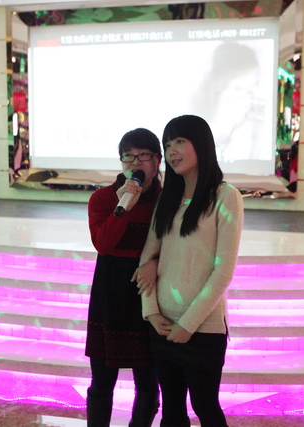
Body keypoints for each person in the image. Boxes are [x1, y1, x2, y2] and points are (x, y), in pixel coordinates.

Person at [133, 115, 244, 426]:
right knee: (171, 411)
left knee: (205, 406)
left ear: (201, 144)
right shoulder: (168, 198)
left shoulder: (226, 196)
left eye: (180, 142)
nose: (172, 151)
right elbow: (147, 259)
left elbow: (223, 271)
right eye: (168, 144)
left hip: (204, 329)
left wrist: (188, 324)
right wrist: (151, 312)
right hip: (162, 326)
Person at [85, 128, 162, 427]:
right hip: (110, 296)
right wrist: (125, 206)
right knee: (102, 383)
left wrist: (154, 263)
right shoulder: (103, 199)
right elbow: (104, 244)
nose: (135, 163)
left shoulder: (167, 201)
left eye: (143, 156)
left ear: (157, 161)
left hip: (150, 295)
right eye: (128, 156)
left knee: (148, 384)